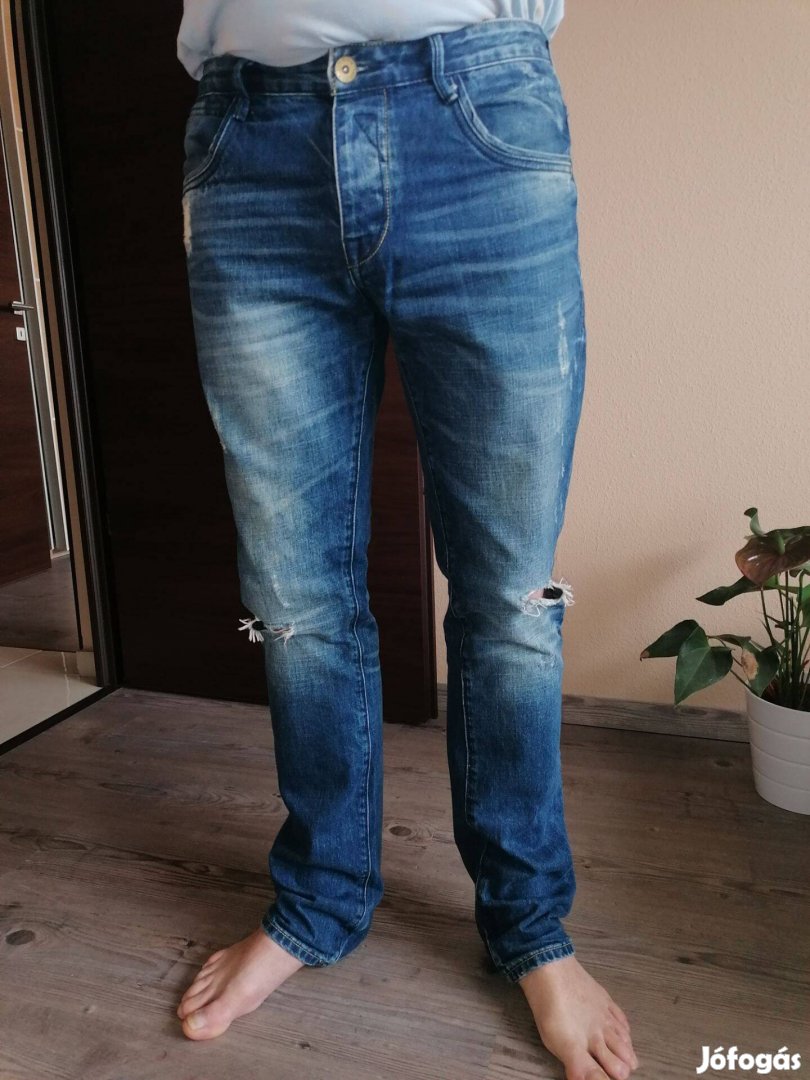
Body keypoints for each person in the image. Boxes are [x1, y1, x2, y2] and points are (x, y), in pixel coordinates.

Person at [174, 4, 638, 1078]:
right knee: (294, 601)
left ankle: (529, 925)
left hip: (476, 116)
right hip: (249, 135)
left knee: (509, 596)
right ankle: (317, 900)